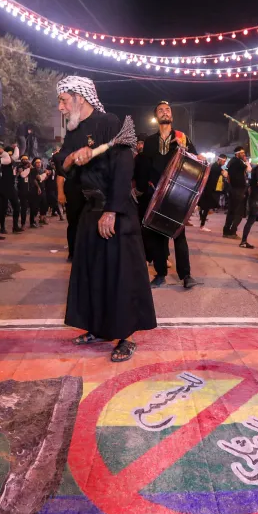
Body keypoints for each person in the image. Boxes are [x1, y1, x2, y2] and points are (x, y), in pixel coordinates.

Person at [57, 76, 156, 362]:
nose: (61, 108)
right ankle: (97, 328)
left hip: (115, 208)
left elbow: (124, 168)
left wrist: (112, 211)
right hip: (88, 209)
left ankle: (126, 337)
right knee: (92, 271)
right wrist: (74, 156)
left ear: (80, 98)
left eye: (64, 101)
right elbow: (61, 161)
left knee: (119, 274)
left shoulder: (110, 123)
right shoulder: (74, 131)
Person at [134, 100, 201, 289]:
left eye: (167, 110)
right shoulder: (149, 141)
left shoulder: (182, 137)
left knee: (179, 236)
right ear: (157, 117)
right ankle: (160, 274)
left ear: (171, 116)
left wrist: (184, 149)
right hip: (155, 193)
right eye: (161, 111)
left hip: (177, 195)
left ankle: (186, 275)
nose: (165, 113)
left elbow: (196, 160)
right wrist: (141, 190)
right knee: (157, 236)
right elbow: (144, 167)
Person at [53, 141, 84, 258]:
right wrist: (60, 193)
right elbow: (60, 175)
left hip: (86, 193)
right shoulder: (67, 155)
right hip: (72, 192)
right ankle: (73, 253)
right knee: (73, 223)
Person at [222, 147, 250, 238]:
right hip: (237, 190)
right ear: (237, 154)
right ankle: (232, 231)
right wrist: (246, 161)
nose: (244, 155)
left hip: (234, 189)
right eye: (242, 153)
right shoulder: (238, 162)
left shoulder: (232, 162)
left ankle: (227, 231)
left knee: (232, 211)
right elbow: (249, 169)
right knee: (239, 212)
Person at [199, 154, 227, 231]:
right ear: (220, 160)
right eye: (224, 161)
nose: (224, 163)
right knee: (208, 206)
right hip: (209, 189)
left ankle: (202, 221)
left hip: (209, 188)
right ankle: (202, 225)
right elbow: (225, 174)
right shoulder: (216, 167)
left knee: (205, 206)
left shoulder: (214, 166)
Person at [0, 143, 22, 234]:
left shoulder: (12, 163)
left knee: (16, 207)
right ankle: (2, 227)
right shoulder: (4, 161)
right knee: (2, 208)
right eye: (8, 154)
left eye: (10, 154)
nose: (10, 156)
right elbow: (16, 156)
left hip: (11, 187)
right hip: (3, 187)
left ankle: (15, 226)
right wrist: (16, 147)